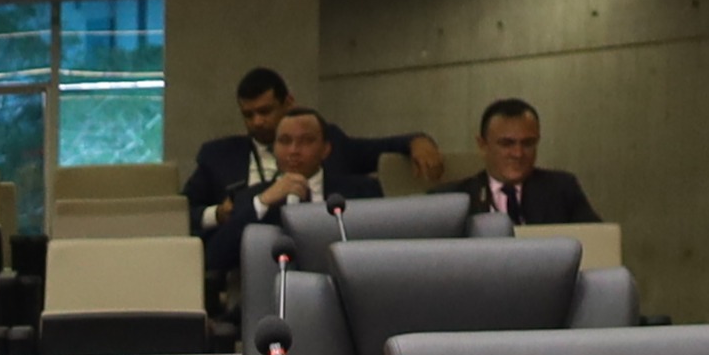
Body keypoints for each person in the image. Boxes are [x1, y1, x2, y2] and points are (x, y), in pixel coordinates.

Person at [184, 67, 443, 285]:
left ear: (325, 149)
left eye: (265, 112)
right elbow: (199, 233)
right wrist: (244, 207)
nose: (258, 122)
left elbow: (379, 150)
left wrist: (416, 140)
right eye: (249, 115)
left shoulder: (356, 180)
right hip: (265, 277)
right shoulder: (239, 183)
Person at [458, 99, 602, 228]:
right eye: (506, 144)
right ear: (483, 146)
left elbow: (597, 239)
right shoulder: (457, 198)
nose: (518, 154)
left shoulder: (561, 189)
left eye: (528, 144)